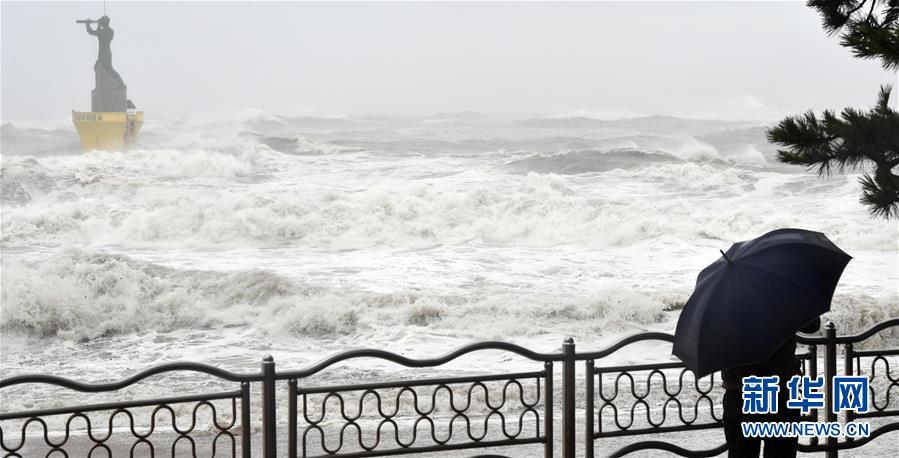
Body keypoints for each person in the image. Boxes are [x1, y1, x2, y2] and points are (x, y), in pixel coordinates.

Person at [721, 317, 821, 457]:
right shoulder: (783, 302)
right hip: (780, 390)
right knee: (781, 451)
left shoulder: (722, 305)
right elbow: (812, 325)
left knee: (741, 452)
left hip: (739, 390)